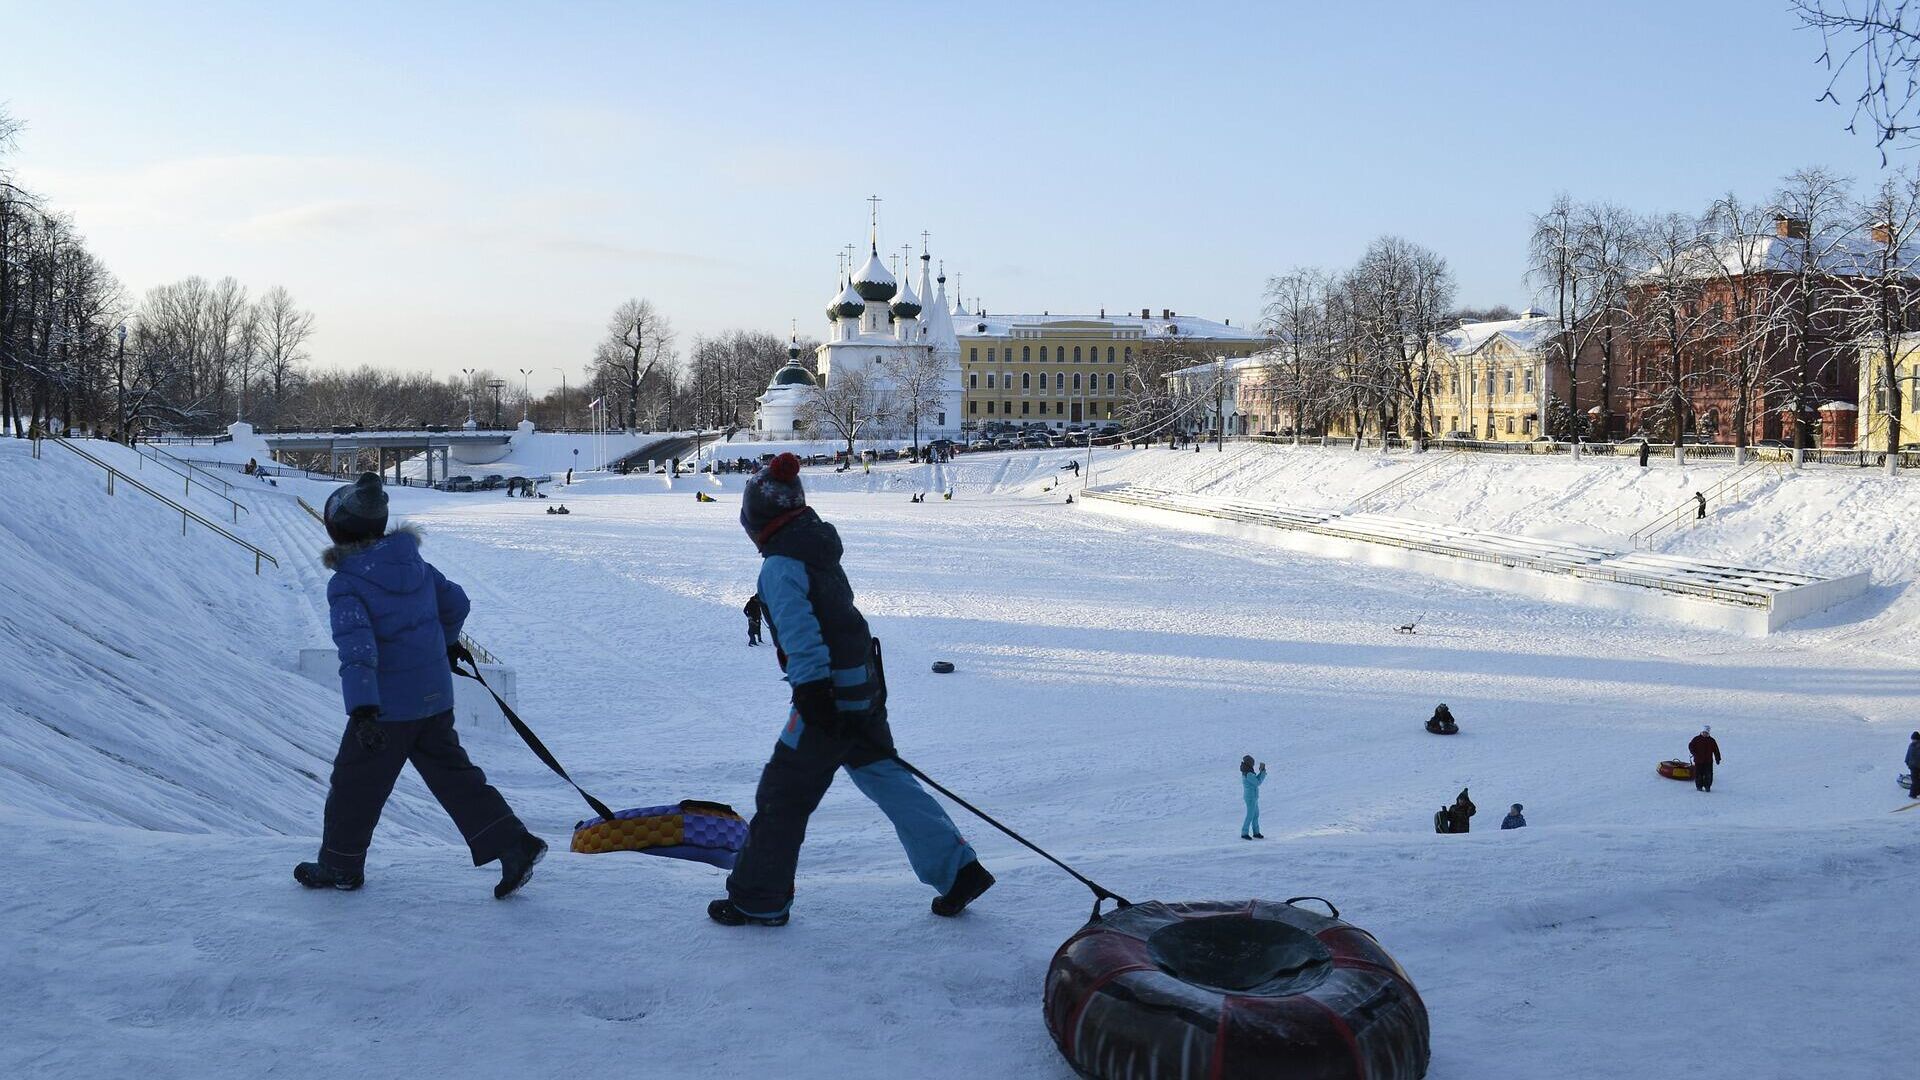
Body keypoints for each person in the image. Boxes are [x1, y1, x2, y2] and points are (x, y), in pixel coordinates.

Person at [711, 453, 993, 927]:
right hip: (863, 686)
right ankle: (958, 870)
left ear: (756, 520)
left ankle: (759, 898)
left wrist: (814, 696)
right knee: (885, 775)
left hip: (830, 698)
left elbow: (803, 637)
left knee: (783, 796)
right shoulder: (814, 545)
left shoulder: (781, 565)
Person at [297, 472, 546, 897]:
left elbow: (358, 651)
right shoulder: (414, 564)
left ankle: (340, 866)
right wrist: (447, 646)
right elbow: (458, 603)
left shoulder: (348, 582)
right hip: (434, 700)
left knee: (355, 786)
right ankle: (513, 843)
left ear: (338, 531)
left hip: (387, 711)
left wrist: (362, 710)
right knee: (455, 776)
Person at [1688, 725, 1722, 792]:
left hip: (1708, 761)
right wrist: (1694, 753)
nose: (1705, 734)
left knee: (1708, 774)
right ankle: (1699, 786)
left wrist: (1717, 758)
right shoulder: (1696, 739)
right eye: (1704, 732)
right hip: (1698, 760)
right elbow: (1691, 746)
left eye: (1706, 733)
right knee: (1698, 774)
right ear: (1701, 732)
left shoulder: (1711, 740)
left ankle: (1707, 786)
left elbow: (1716, 750)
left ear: (1708, 733)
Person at [1239, 756, 1266, 840]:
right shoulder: (1249, 773)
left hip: (1253, 796)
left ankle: (1256, 832)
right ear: (1249, 763)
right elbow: (1257, 782)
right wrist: (1262, 773)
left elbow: (1255, 781)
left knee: (1255, 815)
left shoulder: (1248, 772)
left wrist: (1262, 772)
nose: (1253, 764)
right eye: (1252, 762)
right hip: (1251, 797)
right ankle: (1244, 833)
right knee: (1250, 815)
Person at [1905, 732, 1919, 799]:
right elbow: (1908, 755)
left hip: (1916, 766)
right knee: (1915, 780)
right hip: (1913, 766)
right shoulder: (1911, 745)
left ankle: (1914, 793)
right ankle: (1913, 794)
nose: (1913, 741)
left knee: (1916, 780)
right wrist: (1907, 762)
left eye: (1914, 739)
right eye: (1912, 739)